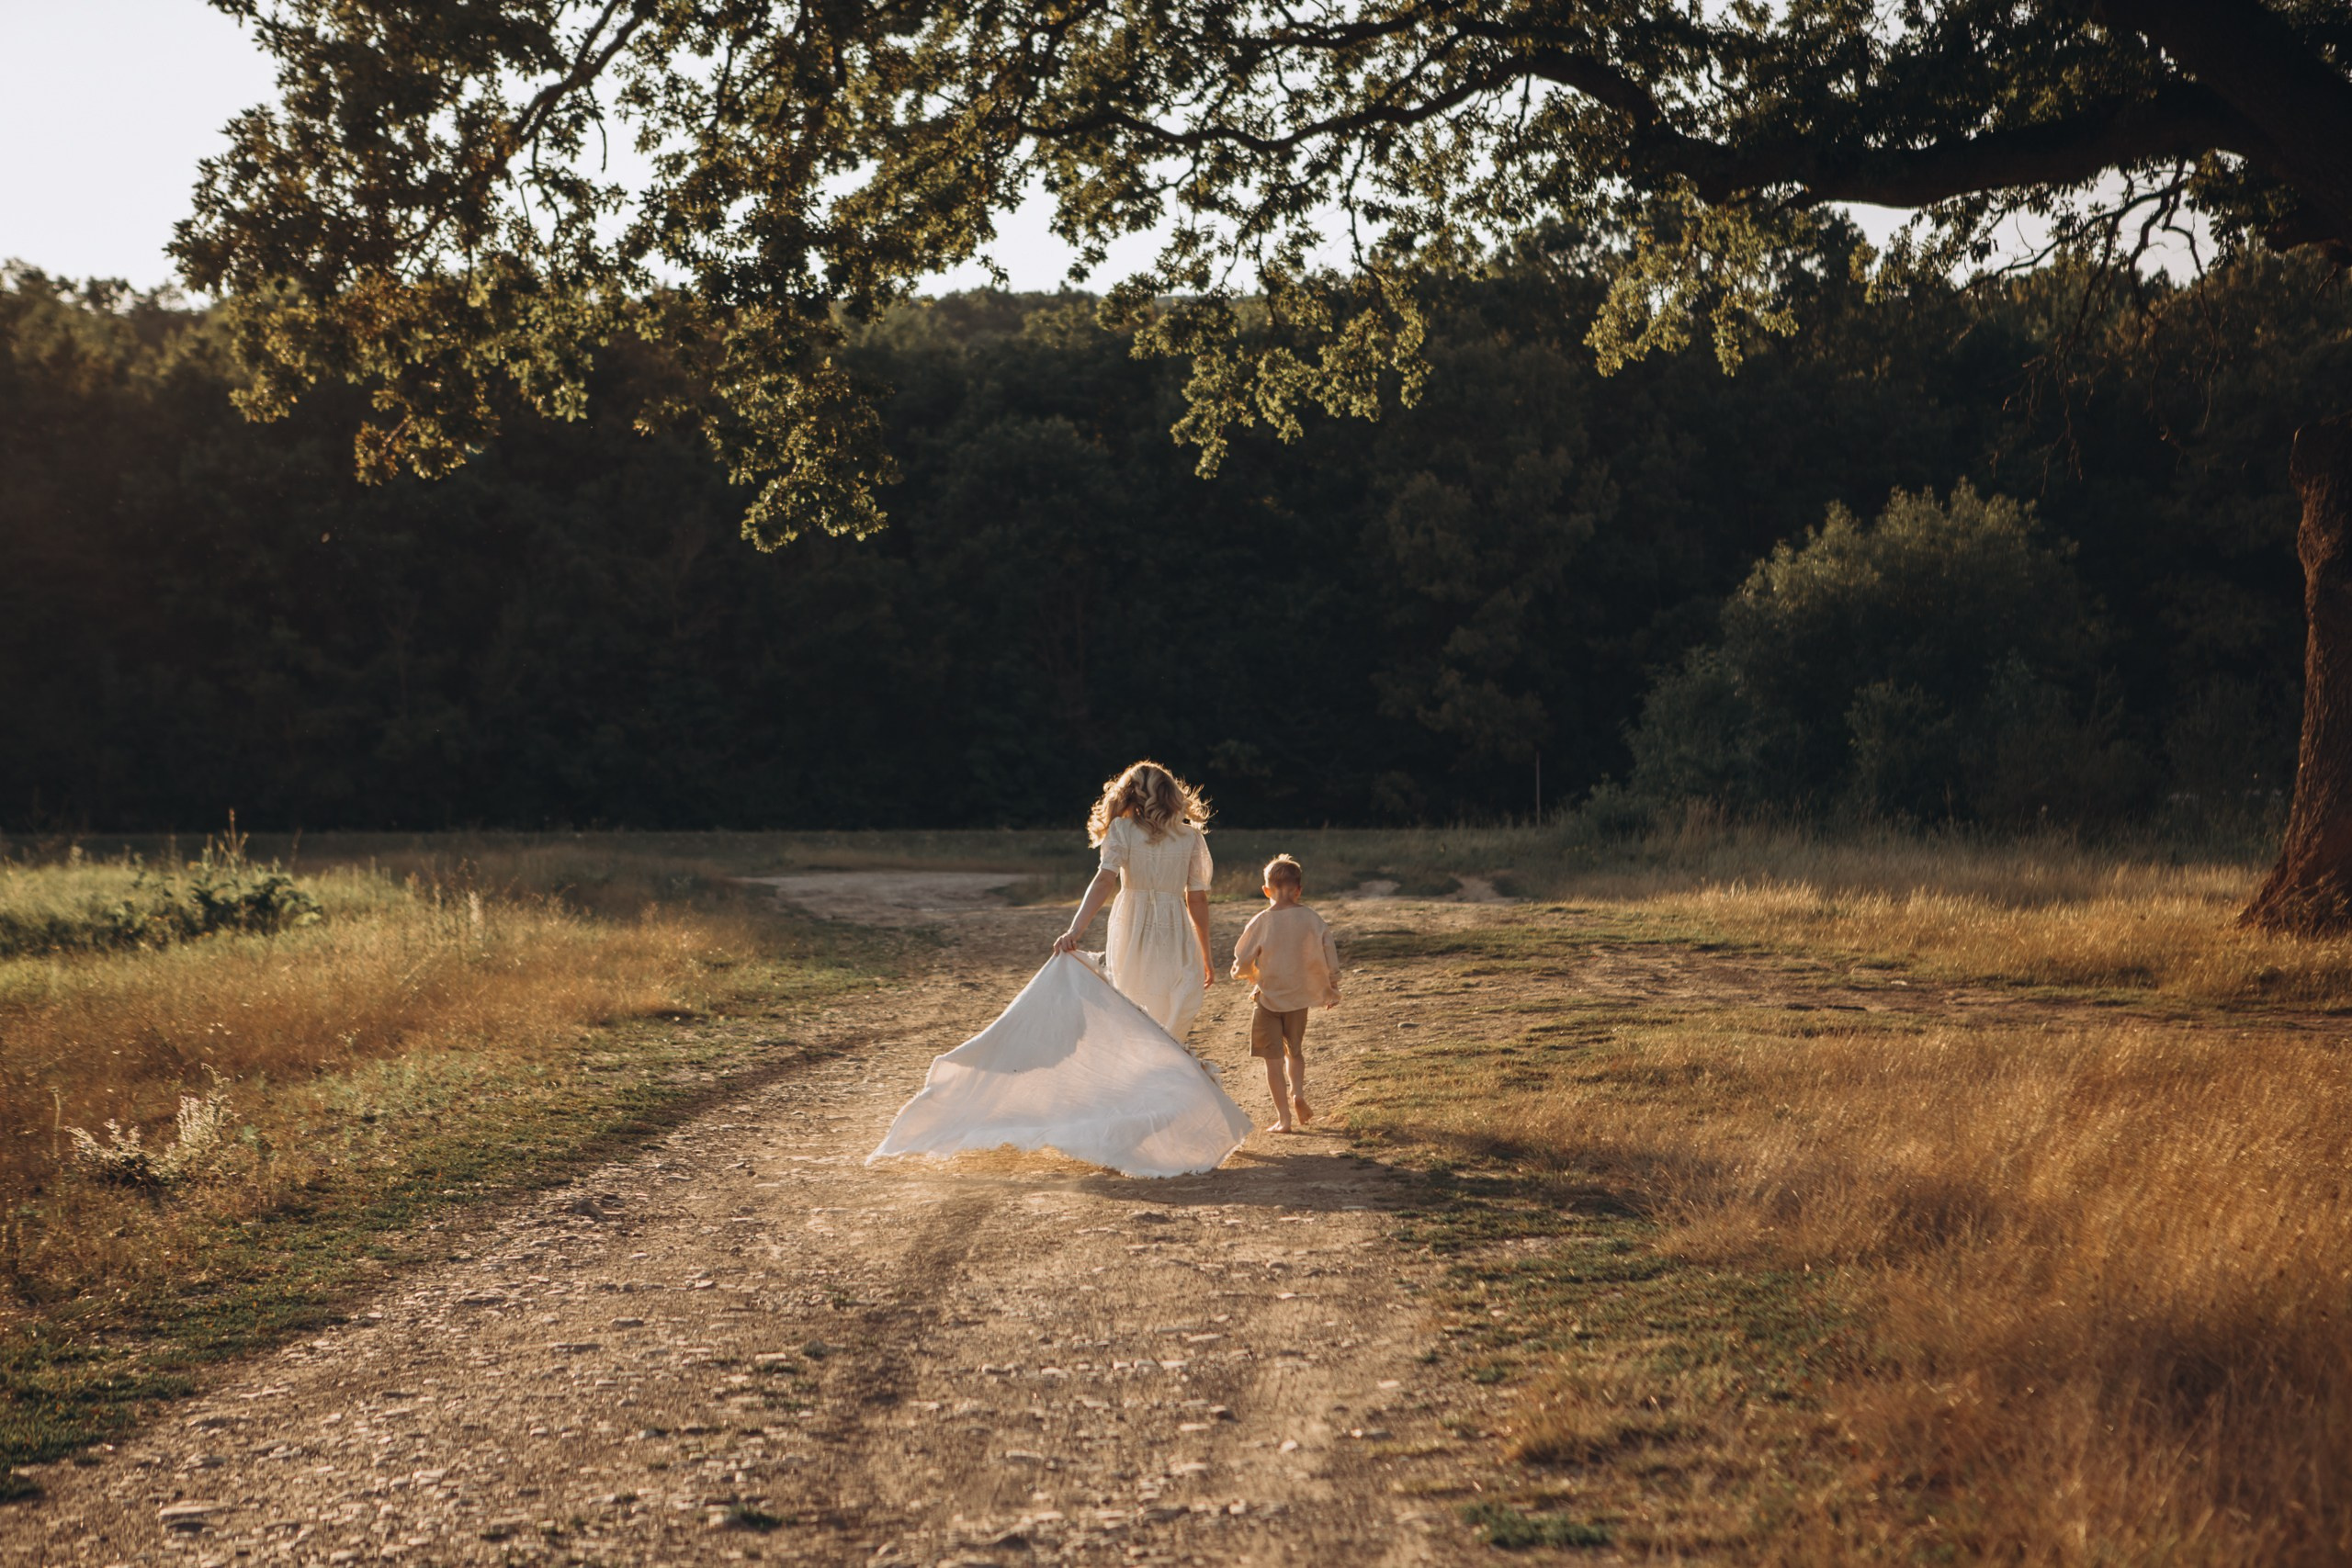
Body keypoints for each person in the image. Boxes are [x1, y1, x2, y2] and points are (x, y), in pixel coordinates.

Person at [1050, 761, 1216, 1036]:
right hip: (1173, 926)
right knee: (1168, 996)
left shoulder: (1121, 830)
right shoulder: (1190, 837)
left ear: (1128, 794)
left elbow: (1104, 880)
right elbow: (1196, 899)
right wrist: (1205, 954)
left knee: (1130, 995)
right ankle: (1163, 1056)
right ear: (1170, 793)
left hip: (1130, 922)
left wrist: (1075, 930)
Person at [1229, 854, 1341, 1133]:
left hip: (1268, 1000)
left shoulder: (1261, 921)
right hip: (1298, 1000)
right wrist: (1332, 986)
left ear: (1266, 890)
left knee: (1273, 1062)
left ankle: (1284, 1118)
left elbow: (1242, 957)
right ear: (1299, 890)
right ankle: (1299, 1093)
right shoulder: (1312, 919)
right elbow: (1329, 950)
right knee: (1296, 1052)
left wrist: (1247, 974)